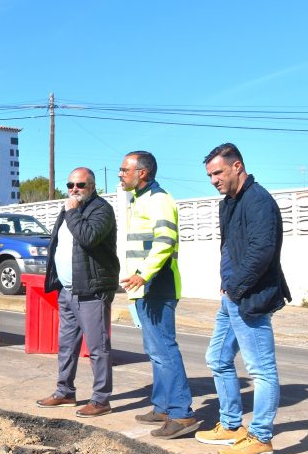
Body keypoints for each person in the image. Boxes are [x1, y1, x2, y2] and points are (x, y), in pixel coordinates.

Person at [195, 144, 290, 454]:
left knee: (262, 371)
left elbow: (262, 250)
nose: (213, 180)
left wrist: (234, 288)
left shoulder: (258, 201)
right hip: (232, 297)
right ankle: (232, 426)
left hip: (251, 298)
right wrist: (226, 286)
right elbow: (230, 249)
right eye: (209, 175)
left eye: (218, 173)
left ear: (237, 166)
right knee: (217, 358)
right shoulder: (230, 203)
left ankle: (261, 438)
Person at [119, 151, 200, 438]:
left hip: (157, 285)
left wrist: (145, 274)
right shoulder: (139, 200)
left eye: (124, 169)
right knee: (155, 351)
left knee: (165, 349)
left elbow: (165, 242)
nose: (120, 174)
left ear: (142, 172)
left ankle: (182, 413)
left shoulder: (160, 200)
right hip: (144, 287)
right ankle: (163, 405)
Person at [36, 167, 120, 417]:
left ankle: (101, 399)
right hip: (67, 290)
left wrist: (72, 212)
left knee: (98, 348)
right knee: (66, 345)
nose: (74, 190)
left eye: (80, 185)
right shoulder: (68, 210)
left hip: (91, 290)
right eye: (70, 185)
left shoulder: (101, 210)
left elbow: (88, 237)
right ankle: (65, 392)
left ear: (92, 187)